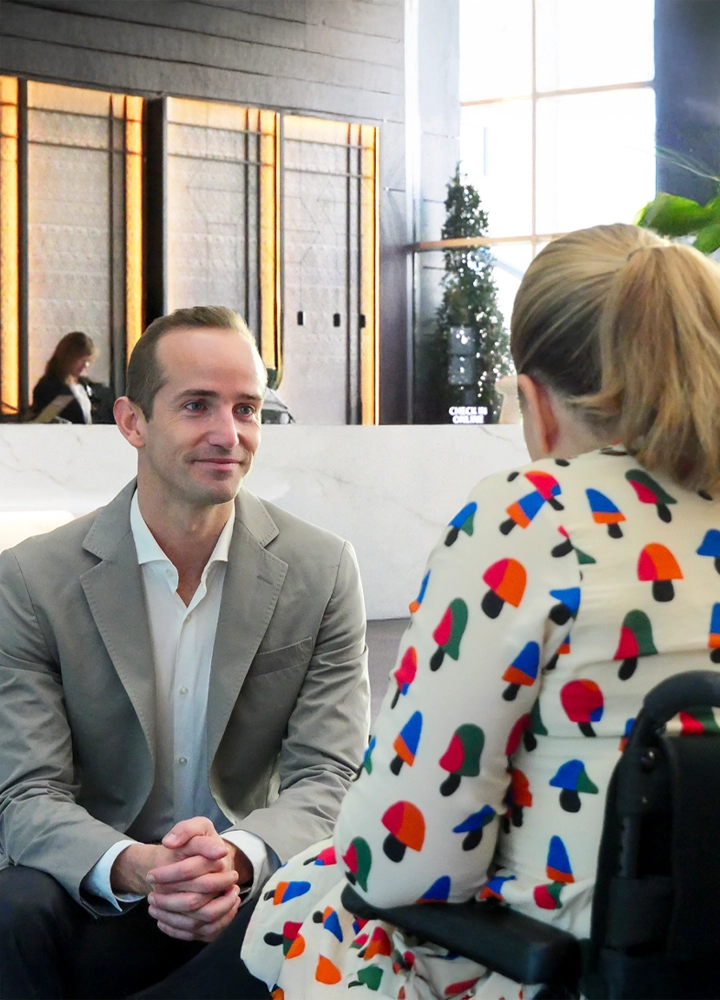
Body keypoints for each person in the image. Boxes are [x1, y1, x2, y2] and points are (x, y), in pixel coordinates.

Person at [242, 223, 720, 1000]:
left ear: (533, 402)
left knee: (303, 903)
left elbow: (405, 855)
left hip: (555, 962)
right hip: (692, 958)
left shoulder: (540, 516)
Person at [0, 306, 369, 1000]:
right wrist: (140, 868)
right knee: (12, 906)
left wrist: (233, 858)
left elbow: (331, 777)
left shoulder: (322, 570)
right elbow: (25, 796)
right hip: (98, 883)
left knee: (338, 906)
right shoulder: (31, 581)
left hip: (254, 889)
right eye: (197, 405)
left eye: (247, 409)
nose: (228, 435)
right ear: (132, 422)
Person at [31, 330, 97, 423]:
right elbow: (44, 420)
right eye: (81, 360)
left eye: (88, 360)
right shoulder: (50, 387)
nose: (86, 365)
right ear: (68, 358)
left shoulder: (84, 385)